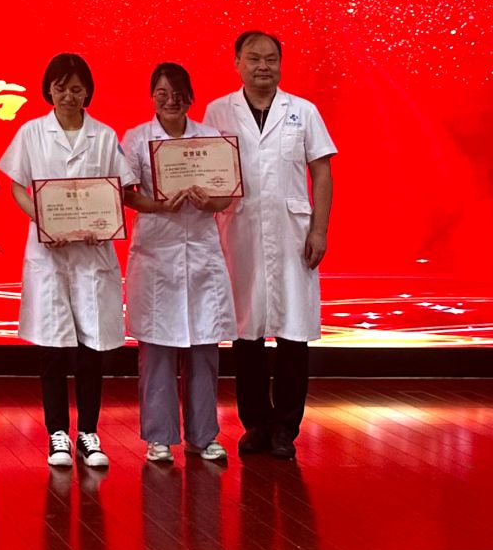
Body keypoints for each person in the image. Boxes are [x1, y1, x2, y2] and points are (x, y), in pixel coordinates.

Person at [0, 52, 138, 470]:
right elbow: (17, 186)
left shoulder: (104, 135)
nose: (69, 96)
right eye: (61, 88)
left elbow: (119, 190)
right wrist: (41, 219)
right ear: (49, 89)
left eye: (77, 89)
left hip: (92, 253)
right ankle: (57, 433)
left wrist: (104, 222)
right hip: (50, 253)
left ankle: (89, 433)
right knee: (53, 347)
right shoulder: (31, 132)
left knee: (91, 348)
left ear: (88, 92)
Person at [203, 31, 336, 461]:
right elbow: (208, 169)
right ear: (237, 62)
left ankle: (285, 428)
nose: (264, 66)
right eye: (254, 58)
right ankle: (256, 424)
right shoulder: (218, 111)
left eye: (271, 59)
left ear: (280, 64)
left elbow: (321, 172)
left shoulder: (303, 111)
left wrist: (318, 230)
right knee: (247, 332)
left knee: (294, 333)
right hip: (239, 229)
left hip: (293, 232)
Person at [120, 61, 237, 465]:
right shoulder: (137, 138)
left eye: (179, 94)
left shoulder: (210, 138)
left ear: (191, 97)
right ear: (152, 97)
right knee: (156, 349)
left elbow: (227, 195)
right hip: (157, 254)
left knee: (204, 346)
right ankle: (159, 437)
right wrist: (158, 205)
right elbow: (126, 193)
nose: (171, 101)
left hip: (202, 253)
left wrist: (210, 202)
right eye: (162, 94)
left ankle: (204, 436)